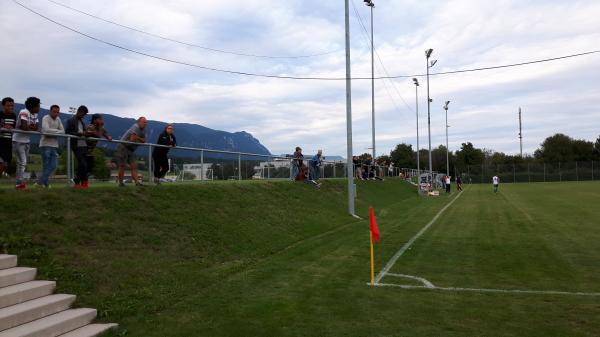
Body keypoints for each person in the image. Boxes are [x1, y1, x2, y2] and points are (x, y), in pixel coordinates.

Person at [13, 97, 40, 189]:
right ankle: (20, 183)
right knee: (23, 162)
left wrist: (29, 126)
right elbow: (24, 127)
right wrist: (29, 126)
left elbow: (36, 127)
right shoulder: (23, 112)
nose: (39, 107)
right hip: (18, 140)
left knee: (21, 162)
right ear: (33, 106)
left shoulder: (35, 115)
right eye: (38, 105)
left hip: (27, 141)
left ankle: (18, 183)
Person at [37, 105, 64, 188]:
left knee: (53, 165)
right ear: (50, 111)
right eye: (54, 111)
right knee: (46, 165)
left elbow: (63, 131)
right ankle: (45, 183)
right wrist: (57, 131)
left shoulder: (58, 119)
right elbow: (45, 130)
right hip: (45, 144)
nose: (56, 113)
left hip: (54, 145)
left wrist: (52, 132)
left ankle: (40, 182)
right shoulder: (45, 118)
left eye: (57, 112)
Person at [116, 117, 147, 186]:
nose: (145, 124)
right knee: (122, 166)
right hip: (123, 146)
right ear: (138, 122)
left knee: (134, 165)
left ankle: (137, 183)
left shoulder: (143, 130)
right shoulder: (135, 127)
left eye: (146, 122)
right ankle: (121, 183)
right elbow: (132, 139)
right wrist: (140, 139)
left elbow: (144, 141)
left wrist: (138, 138)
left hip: (131, 149)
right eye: (144, 122)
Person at [66, 105, 89, 188]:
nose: (84, 116)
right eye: (83, 114)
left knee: (84, 164)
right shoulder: (70, 120)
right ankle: (78, 182)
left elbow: (83, 132)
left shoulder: (82, 122)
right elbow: (68, 132)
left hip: (83, 144)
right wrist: (80, 134)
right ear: (79, 111)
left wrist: (87, 134)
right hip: (76, 145)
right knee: (82, 164)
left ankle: (82, 182)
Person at [85, 114, 112, 184]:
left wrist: (108, 137)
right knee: (83, 167)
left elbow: (106, 134)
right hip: (83, 149)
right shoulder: (90, 127)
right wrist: (99, 128)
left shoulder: (101, 128)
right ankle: (79, 182)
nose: (101, 121)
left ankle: (83, 183)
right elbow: (96, 135)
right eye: (100, 119)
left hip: (90, 151)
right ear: (94, 120)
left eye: (102, 119)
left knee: (89, 167)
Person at [0, 97, 16, 177]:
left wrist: (12, 128)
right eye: (8, 105)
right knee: (2, 161)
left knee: (6, 162)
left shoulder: (13, 115)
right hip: (1, 141)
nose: (10, 107)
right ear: (3, 106)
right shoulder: (1, 114)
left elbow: (14, 127)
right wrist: (4, 126)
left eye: (12, 106)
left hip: (9, 141)